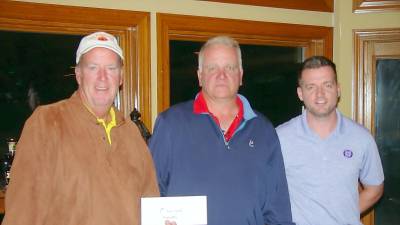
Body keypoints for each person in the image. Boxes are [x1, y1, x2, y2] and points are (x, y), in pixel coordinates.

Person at [2, 31, 159, 225]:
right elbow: (22, 213)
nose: (103, 77)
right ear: (78, 74)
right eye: (93, 67)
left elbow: (150, 203)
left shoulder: (132, 133)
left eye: (111, 68)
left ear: (121, 78)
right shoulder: (46, 122)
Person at [149, 36, 294, 225]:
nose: (221, 75)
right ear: (200, 76)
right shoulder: (170, 124)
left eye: (230, 67)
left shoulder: (263, 130)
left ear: (240, 75)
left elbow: (277, 207)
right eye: (212, 68)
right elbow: (149, 191)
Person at [276, 56, 384, 225]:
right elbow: (265, 192)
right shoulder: (280, 138)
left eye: (327, 85)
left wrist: (343, 213)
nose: (320, 94)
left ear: (338, 89)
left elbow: (375, 188)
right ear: (300, 93)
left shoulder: (361, 138)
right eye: (311, 87)